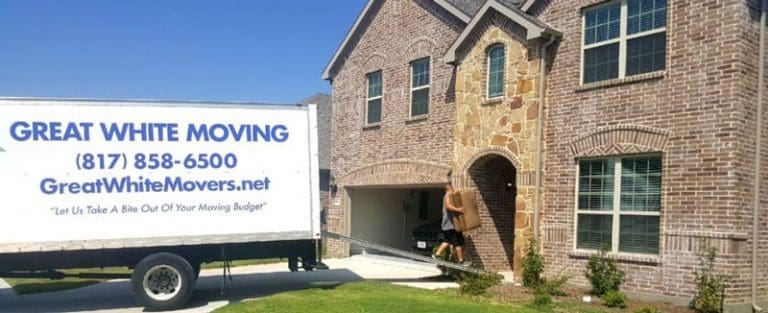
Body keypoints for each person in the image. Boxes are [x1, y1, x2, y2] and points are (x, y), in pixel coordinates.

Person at [432, 181, 471, 266]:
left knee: (447, 240)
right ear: (448, 187)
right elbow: (448, 206)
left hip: (448, 225)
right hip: (451, 224)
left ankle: (437, 254)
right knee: (458, 242)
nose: (453, 187)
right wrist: (459, 210)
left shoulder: (449, 195)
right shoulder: (448, 195)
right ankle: (461, 261)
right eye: (452, 186)